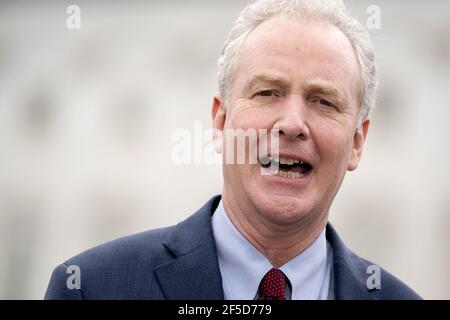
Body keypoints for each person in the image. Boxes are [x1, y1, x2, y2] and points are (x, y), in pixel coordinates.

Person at [45, 0, 421, 300]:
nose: (292, 123)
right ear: (221, 123)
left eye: (323, 101)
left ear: (357, 142)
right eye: (267, 93)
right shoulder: (91, 289)